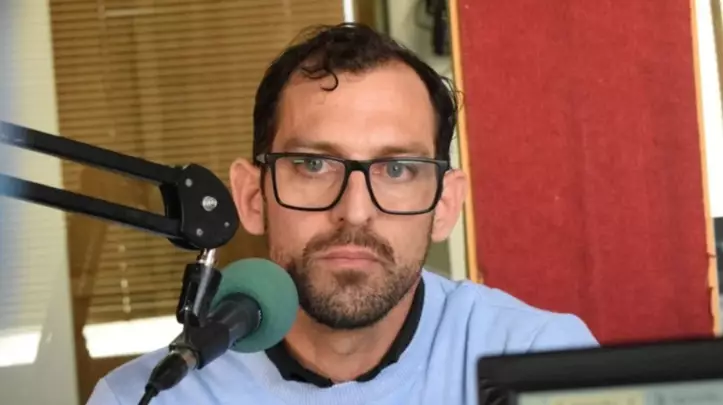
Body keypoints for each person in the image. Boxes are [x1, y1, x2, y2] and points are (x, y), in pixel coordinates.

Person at [86, 23, 598, 405]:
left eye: (396, 169)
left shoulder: (539, 362)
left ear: (445, 205)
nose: (354, 212)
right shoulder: (150, 397)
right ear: (252, 197)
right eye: (313, 165)